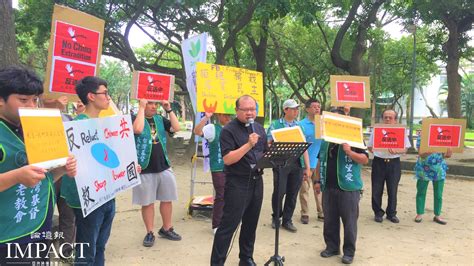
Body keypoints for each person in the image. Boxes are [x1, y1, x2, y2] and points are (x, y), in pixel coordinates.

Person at [0, 66, 77, 264]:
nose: (32, 106)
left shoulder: (33, 131)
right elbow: (21, 176)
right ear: (1, 100)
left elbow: (44, 179)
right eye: (23, 100)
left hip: (38, 228)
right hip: (8, 236)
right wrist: (17, 176)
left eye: (35, 100)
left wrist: (62, 169)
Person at [60, 76, 115, 265]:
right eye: (105, 93)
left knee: (100, 246)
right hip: (89, 200)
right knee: (86, 253)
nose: (108, 98)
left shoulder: (105, 124)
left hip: (107, 194)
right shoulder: (77, 127)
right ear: (91, 96)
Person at [210, 95, 268, 266]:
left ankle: (246, 258)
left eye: (253, 109)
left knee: (251, 223)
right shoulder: (229, 130)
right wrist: (248, 145)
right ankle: (217, 262)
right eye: (246, 110)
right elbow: (228, 159)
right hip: (237, 183)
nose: (250, 113)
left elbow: (264, 152)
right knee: (228, 226)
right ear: (237, 111)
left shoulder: (259, 128)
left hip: (257, 181)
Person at [315, 108, 368, 264]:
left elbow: (365, 159)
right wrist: (317, 181)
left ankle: (349, 252)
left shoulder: (354, 137)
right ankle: (331, 247)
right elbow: (320, 160)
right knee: (329, 219)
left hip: (348, 188)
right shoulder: (325, 140)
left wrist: (350, 152)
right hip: (328, 186)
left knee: (350, 221)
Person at [132, 99, 182, 247]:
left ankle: (166, 228)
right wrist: (141, 108)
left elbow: (176, 127)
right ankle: (149, 232)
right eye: (149, 103)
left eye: (156, 104)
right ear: (142, 103)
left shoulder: (160, 119)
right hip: (145, 167)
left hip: (164, 165)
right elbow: (137, 130)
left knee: (167, 198)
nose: (154, 106)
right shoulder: (134, 119)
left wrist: (169, 109)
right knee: (147, 202)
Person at [267, 99, 311, 232]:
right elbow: (268, 143)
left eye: (297, 109)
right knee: (280, 192)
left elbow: (304, 148)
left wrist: (307, 167)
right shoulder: (275, 125)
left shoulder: (299, 126)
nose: (296, 111)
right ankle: (276, 217)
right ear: (285, 110)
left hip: (296, 163)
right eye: (293, 109)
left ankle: (287, 220)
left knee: (293, 193)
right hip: (280, 163)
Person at [42, 96, 76, 260]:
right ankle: (42, 253)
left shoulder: (68, 118)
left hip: (66, 174)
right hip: (44, 175)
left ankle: (66, 251)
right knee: (44, 216)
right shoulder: (34, 117)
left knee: (68, 215)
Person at [367, 109, 411, 223]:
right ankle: (378, 212)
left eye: (390, 118)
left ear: (395, 120)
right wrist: (378, 147)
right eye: (385, 117)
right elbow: (370, 147)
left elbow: (405, 148)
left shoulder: (401, 132)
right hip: (379, 162)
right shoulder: (376, 131)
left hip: (394, 163)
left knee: (393, 189)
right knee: (377, 189)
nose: (387, 119)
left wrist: (397, 151)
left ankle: (391, 213)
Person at [194, 112, 232, 233]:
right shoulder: (212, 128)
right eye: (224, 115)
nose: (227, 118)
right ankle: (217, 224)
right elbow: (197, 131)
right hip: (218, 167)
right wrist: (206, 117)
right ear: (219, 115)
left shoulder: (236, 128)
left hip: (234, 167)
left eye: (230, 115)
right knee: (221, 195)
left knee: (233, 194)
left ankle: (230, 221)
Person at [414, 130, 451, 225]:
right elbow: (421, 154)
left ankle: (437, 215)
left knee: (438, 194)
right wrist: (430, 150)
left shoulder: (442, 137)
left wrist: (448, 154)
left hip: (439, 169)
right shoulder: (421, 137)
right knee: (421, 192)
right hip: (423, 168)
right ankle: (419, 213)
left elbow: (445, 155)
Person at [298, 99, 324, 224]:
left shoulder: (324, 124)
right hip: (305, 163)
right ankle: (305, 213)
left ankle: (322, 212)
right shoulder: (301, 125)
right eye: (314, 107)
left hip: (320, 162)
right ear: (307, 109)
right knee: (304, 189)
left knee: (320, 188)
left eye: (319, 107)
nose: (317, 109)